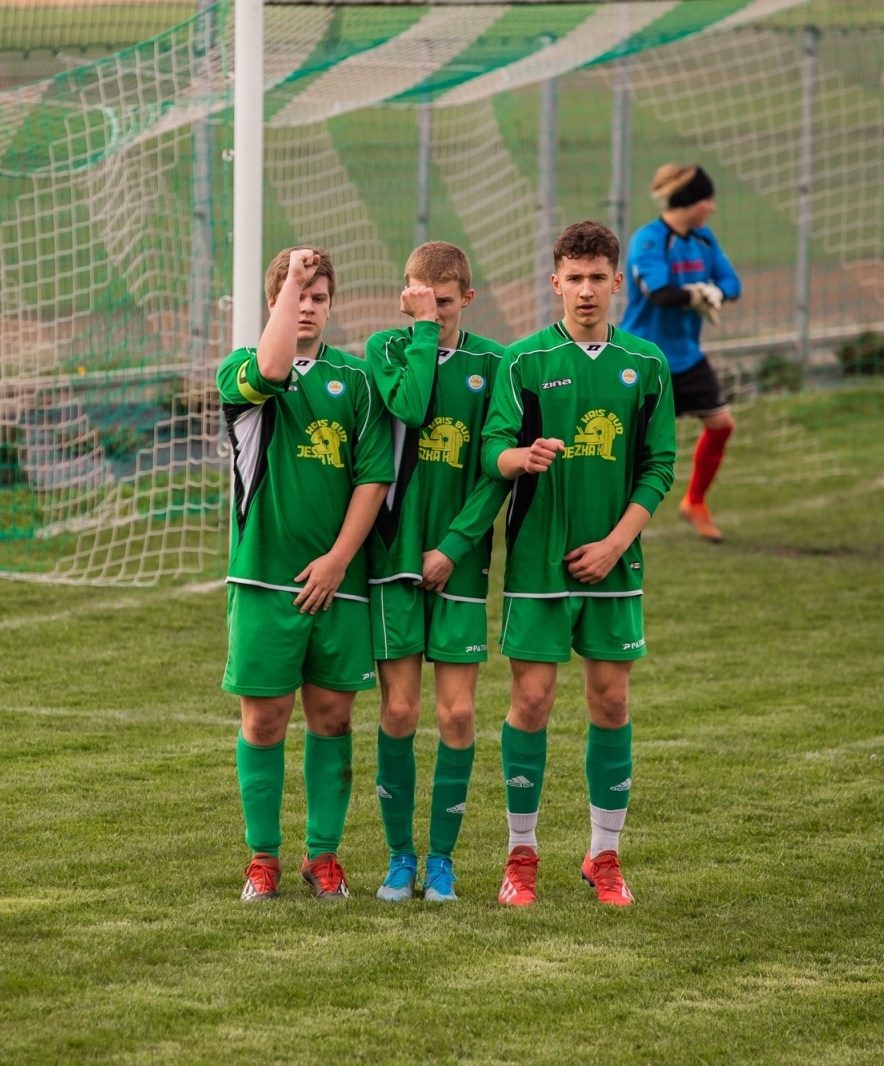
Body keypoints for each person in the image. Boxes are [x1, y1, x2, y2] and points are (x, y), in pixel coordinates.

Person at [481, 220, 676, 907]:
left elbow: (658, 466)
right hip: (538, 563)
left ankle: (604, 855)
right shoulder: (524, 362)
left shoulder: (647, 364)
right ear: (554, 281)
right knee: (530, 703)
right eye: (575, 277)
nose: (587, 290)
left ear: (617, 282)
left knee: (612, 700)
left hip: (613, 564)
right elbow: (494, 447)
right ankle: (521, 855)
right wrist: (519, 458)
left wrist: (617, 543)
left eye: (599, 277)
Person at [217, 247, 394, 902]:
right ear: (276, 303)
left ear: (332, 304)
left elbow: (373, 477)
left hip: (340, 585)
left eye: (320, 297)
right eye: (298, 295)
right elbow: (270, 364)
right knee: (263, 723)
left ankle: (324, 857)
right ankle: (262, 858)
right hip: (264, 583)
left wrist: (339, 559)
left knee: (333, 721)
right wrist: (290, 277)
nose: (309, 307)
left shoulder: (358, 381)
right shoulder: (242, 372)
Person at [362, 242, 511, 903]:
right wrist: (422, 332)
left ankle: (442, 862)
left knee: (456, 716)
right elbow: (415, 407)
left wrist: (452, 545)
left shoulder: (493, 365)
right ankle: (400, 859)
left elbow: (493, 471)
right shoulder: (386, 352)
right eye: (418, 298)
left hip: (460, 565)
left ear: (466, 299)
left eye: (443, 303)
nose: (431, 311)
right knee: (397, 710)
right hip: (391, 559)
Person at [620, 163, 742, 542]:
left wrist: (716, 293)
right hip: (641, 361)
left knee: (721, 425)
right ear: (689, 201)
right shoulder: (650, 241)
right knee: (627, 446)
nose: (712, 207)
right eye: (707, 199)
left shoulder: (704, 240)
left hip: (686, 358)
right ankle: (609, 516)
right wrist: (697, 294)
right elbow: (659, 293)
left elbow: (732, 283)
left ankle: (695, 503)